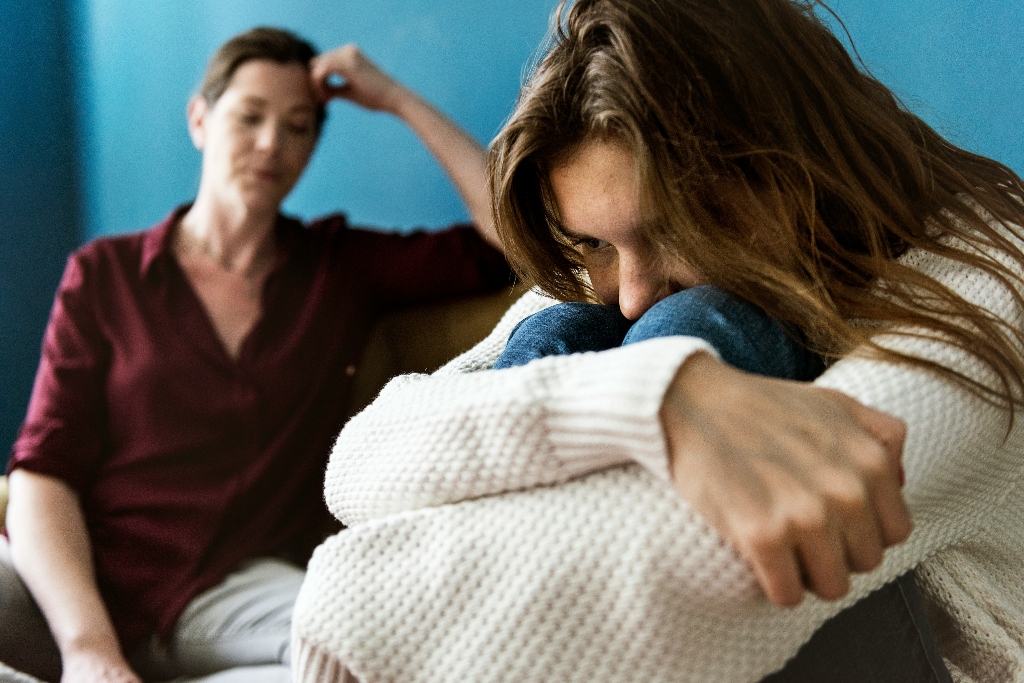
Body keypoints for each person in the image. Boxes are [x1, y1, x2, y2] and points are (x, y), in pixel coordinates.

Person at [290, 0, 1024, 681]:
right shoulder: (604, 279)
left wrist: (337, 595)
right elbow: (362, 458)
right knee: (568, 327)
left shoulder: (986, 277)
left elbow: (655, 572)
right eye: (595, 243)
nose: (633, 291)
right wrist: (655, 395)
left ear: (794, 170)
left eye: (674, 228)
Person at [1, 27, 510, 683]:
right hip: (72, 583)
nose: (273, 143)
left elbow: (511, 239)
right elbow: (44, 471)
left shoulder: (340, 269)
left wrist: (394, 99)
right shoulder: (105, 274)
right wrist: (88, 647)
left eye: (299, 126)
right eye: (251, 117)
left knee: (366, 657)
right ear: (199, 119)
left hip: (232, 593)